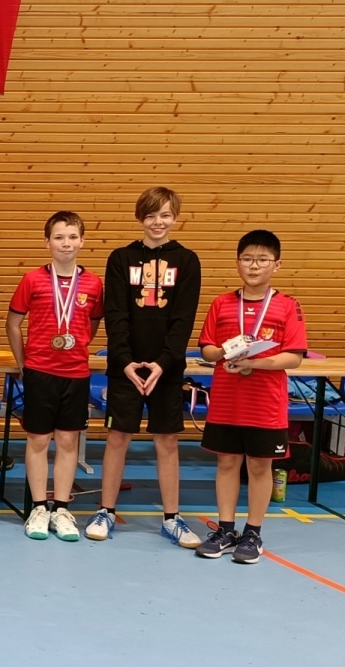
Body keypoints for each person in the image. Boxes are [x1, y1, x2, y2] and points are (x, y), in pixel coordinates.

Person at [87, 187, 204, 548]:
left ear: (175, 218)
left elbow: (183, 320)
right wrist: (124, 362)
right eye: (151, 215)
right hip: (126, 368)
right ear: (140, 217)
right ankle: (106, 511)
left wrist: (163, 364)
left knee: (167, 440)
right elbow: (116, 315)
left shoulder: (187, 261)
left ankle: (172, 518)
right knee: (117, 437)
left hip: (166, 370)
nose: (158, 222)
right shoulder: (121, 258)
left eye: (165, 215)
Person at [195, 231, 307, 564]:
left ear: (277, 264)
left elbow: (294, 357)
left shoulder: (287, 306)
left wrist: (253, 363)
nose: (254, 266)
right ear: (238, 263)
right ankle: (226, 530)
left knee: (260, 466)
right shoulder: (222, 303)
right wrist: (224, 352)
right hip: (227, 400)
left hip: (265, 403)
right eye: (247, 259)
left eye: (262, 260)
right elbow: (207, 348)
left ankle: (253, 533)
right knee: (227, 462)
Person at [6, 211, 105, 542]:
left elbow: (92, 323)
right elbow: (13, 323)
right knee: (38, 440)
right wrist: (24, 363)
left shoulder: (93, 284)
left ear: (82, 241)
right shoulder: (32, 280)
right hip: (39, 372)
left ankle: (61, 508)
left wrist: (77, 345)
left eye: (73, 237)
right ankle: (39, 507)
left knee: (67, 441)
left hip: (75, 373)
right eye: (59, 237)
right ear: (47, 241)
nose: (66, 243)